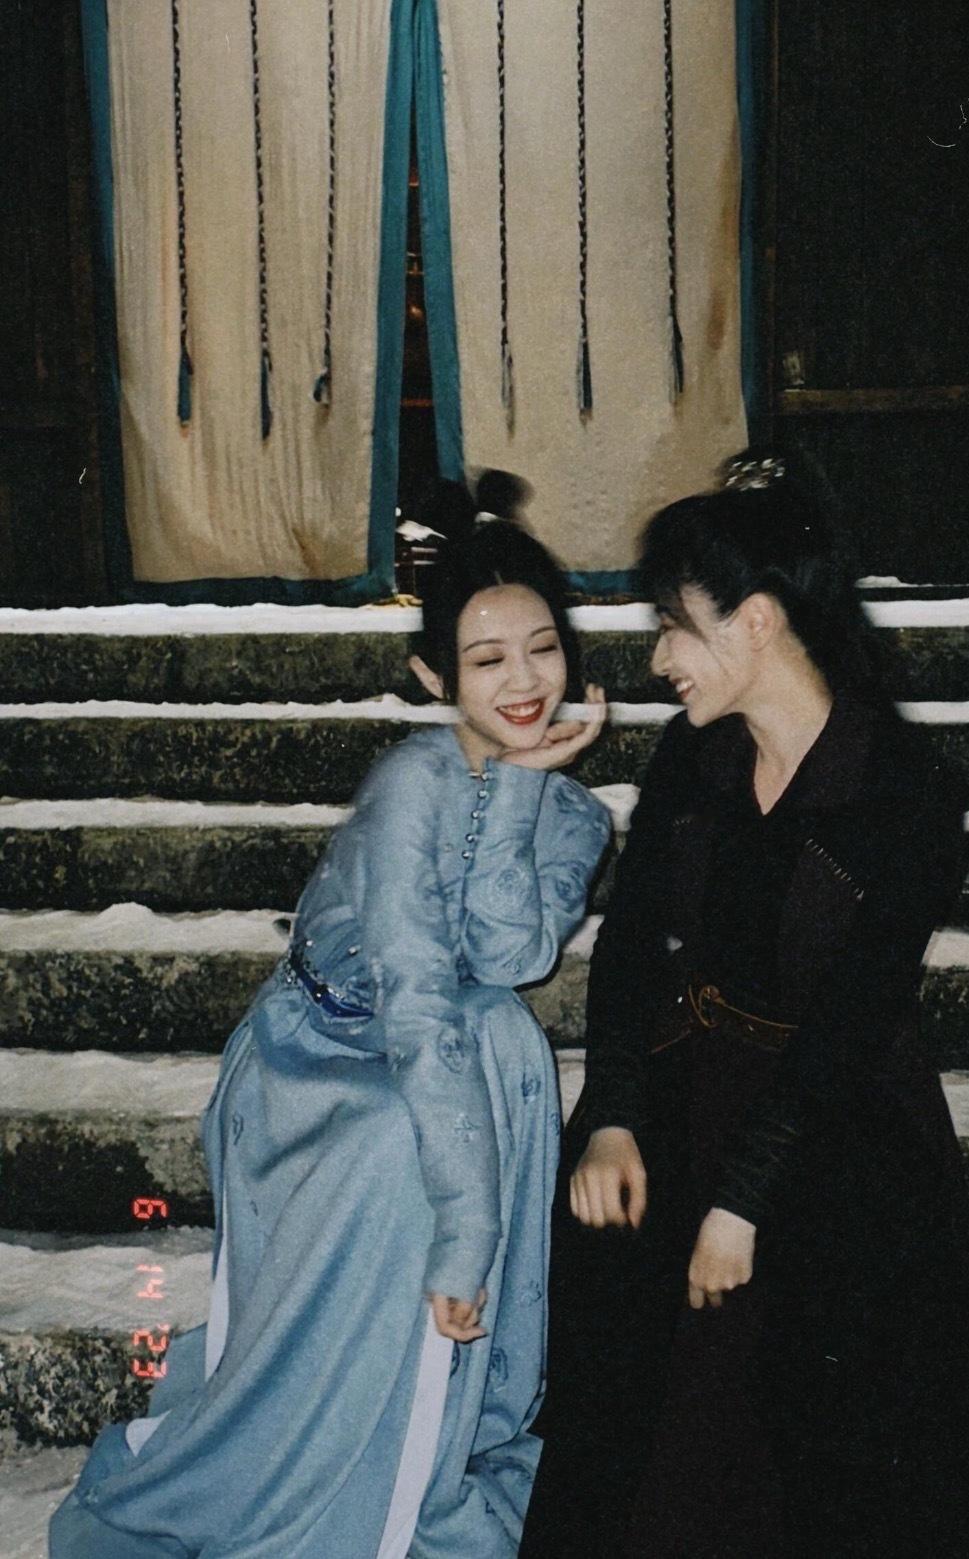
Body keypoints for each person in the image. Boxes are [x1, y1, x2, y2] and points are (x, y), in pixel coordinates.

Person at [520, 451, 969, 1557]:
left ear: (757, 621)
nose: (658, 656)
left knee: (837, 1351)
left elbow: (849, 1024)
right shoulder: (692, 755)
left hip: (829, 1112)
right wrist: (615, 1108)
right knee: (619, 1296)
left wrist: (741, 1204)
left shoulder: (905, 792)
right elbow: (630, 944)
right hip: (680, 1086)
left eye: (675, 625)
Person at [50, 477, 611, 1559]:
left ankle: (429, 1428)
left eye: (542, 649)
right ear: (433, 676)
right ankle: (327, 1453)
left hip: (432, 1053)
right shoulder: (409, 790)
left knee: (503, 1033)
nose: (524, 681)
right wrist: (465, 1236)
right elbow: (416, 996)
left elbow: (510, 954)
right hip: (316, 1058)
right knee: (415, 1130)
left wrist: (523, 785)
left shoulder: (574, 811)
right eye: (487, 660)